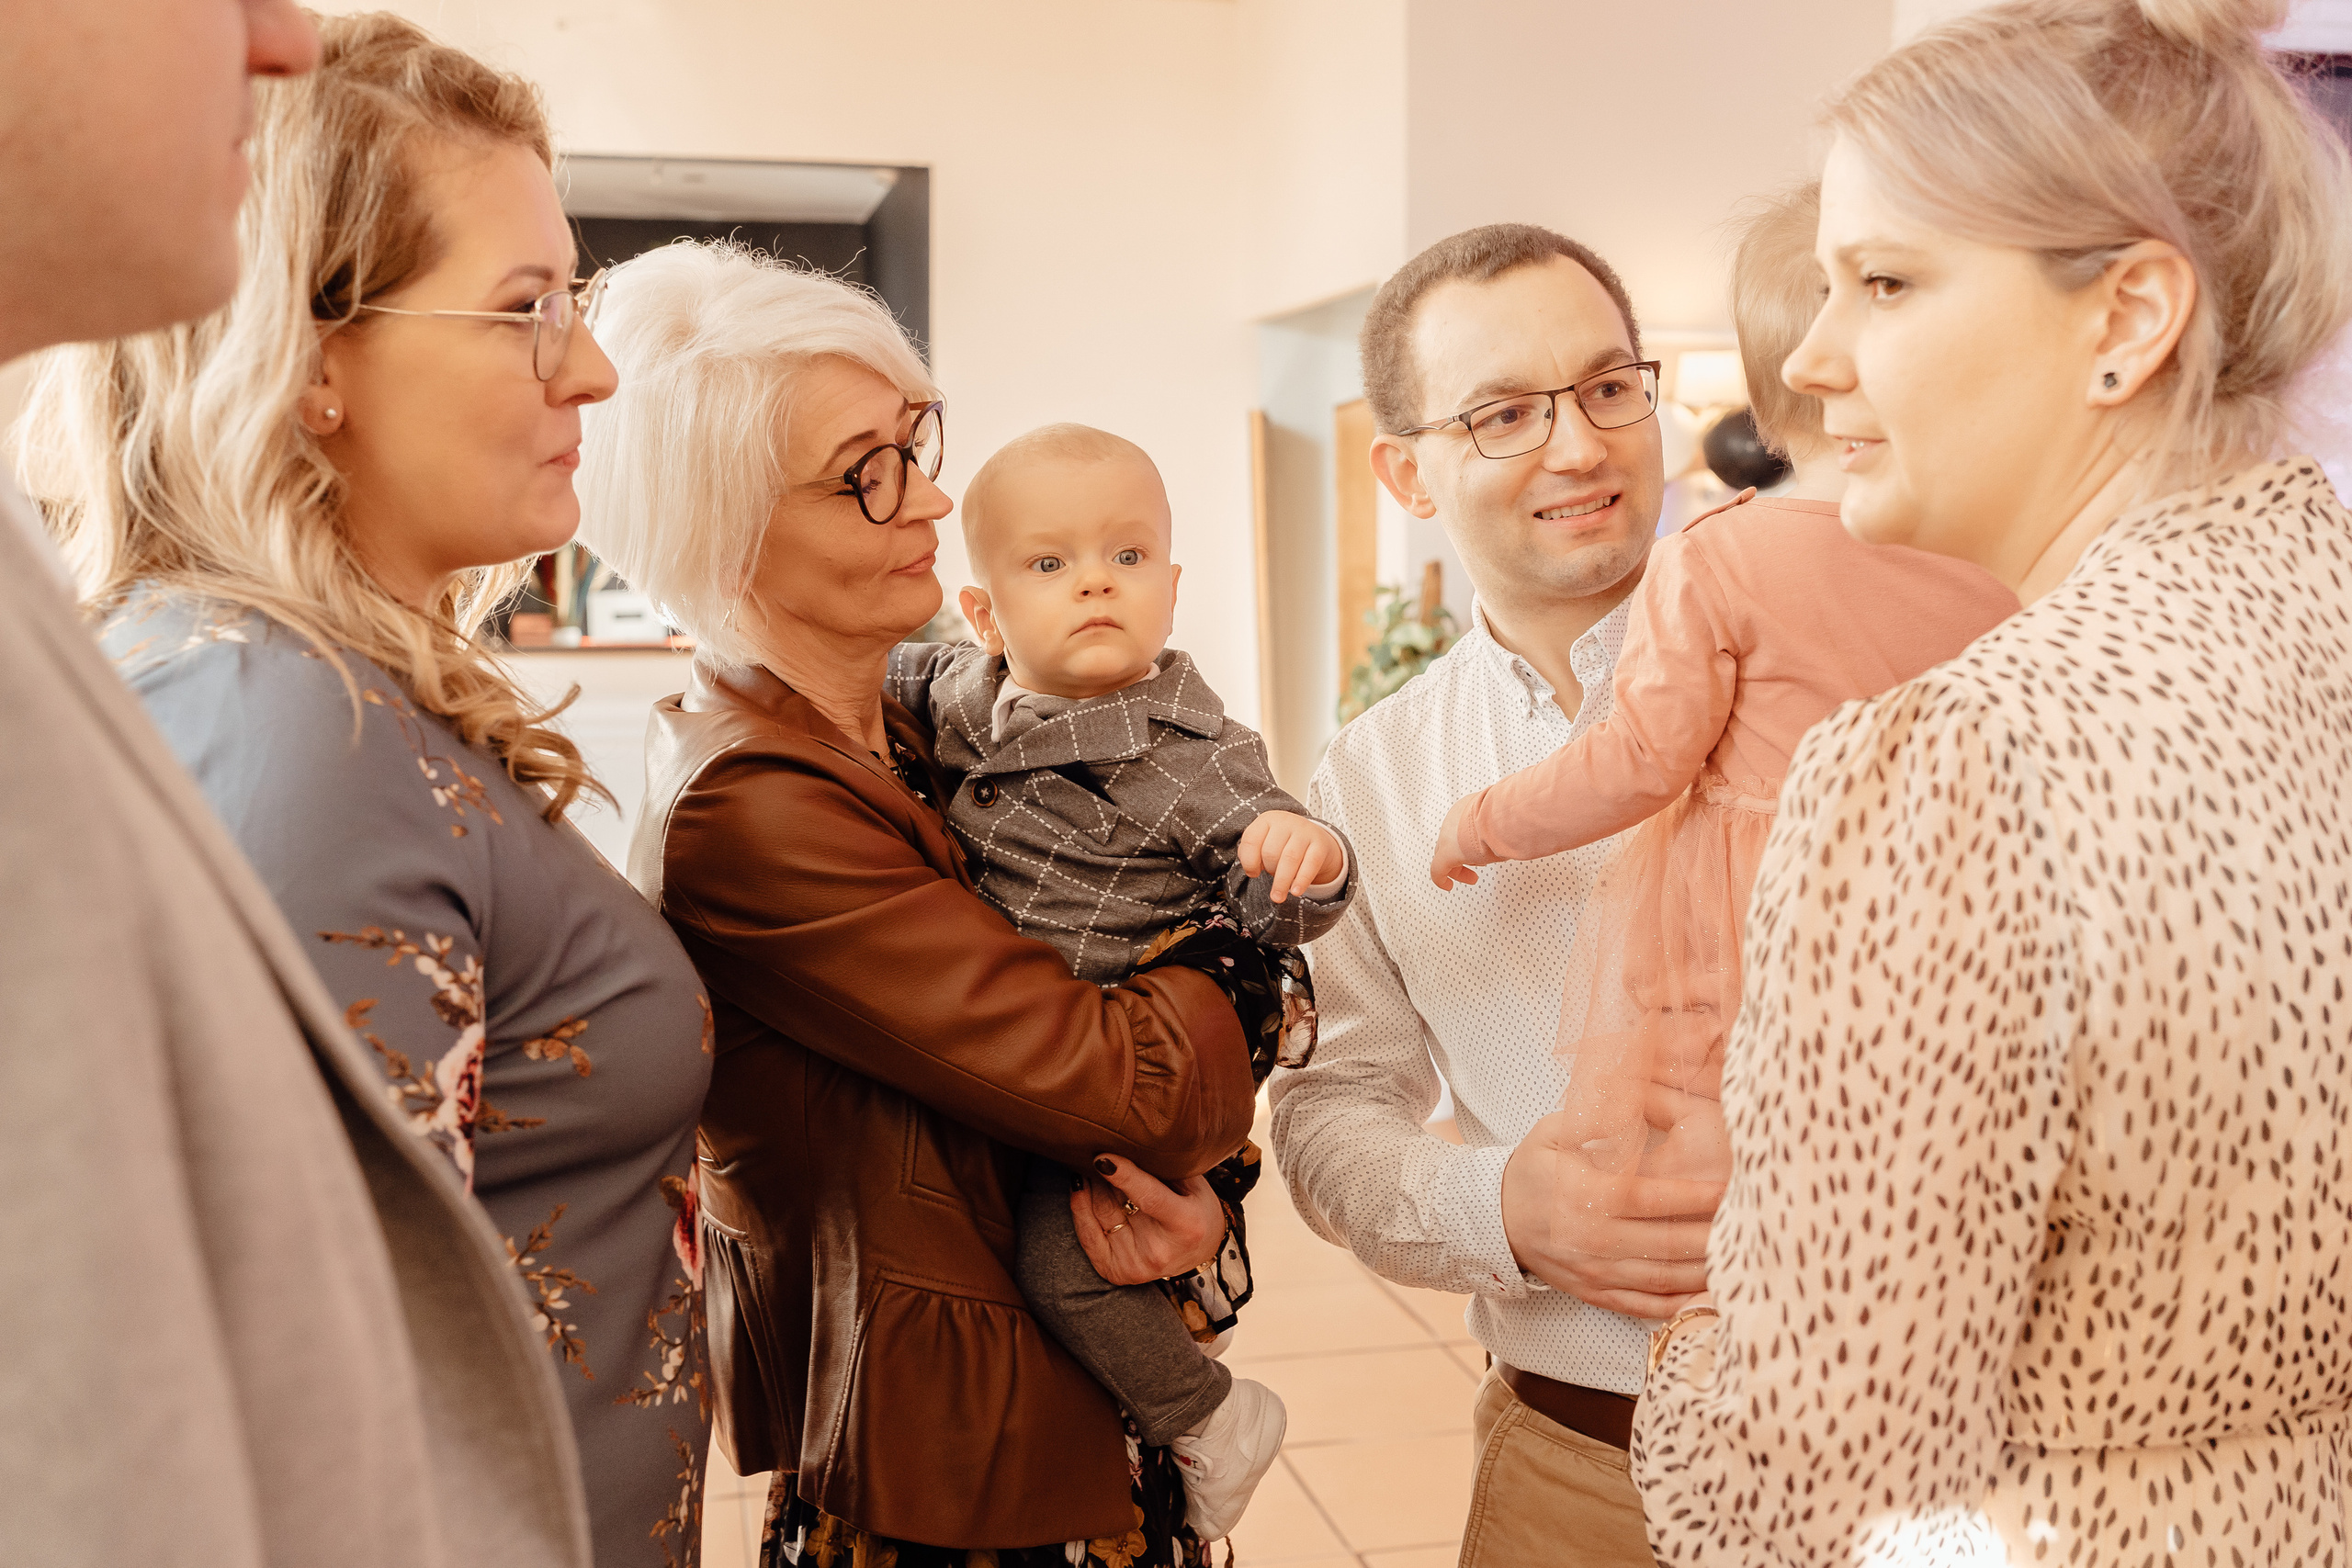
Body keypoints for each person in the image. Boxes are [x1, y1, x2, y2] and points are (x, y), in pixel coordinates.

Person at [1629, 1, 2352, 1562]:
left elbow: (1826, 1490)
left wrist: (1698, 1356)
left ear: (2127, 316)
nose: (1810, 366)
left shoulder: (1957, 766)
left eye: (1883, 283)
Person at [20, 16, 714, 1566]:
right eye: (528, 309)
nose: (591, 368)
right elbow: (324, 1390)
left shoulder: (327, 689)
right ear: (315, 357)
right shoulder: (289, 731)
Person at [577, 241, 1258, 1568]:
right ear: (725, 532)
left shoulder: (920, 712)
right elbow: (1123, 1082)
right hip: (960, 1467)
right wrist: (1239, 957)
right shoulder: (755, 806)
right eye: (865, 475)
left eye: (915, 440)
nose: (936, 498)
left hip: (1055, 1377)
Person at [1265, 223, 1724, 1568]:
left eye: (1605, 388)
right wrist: (1506, 1209)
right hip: (1582, 1463)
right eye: (1504, 414)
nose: (1578, 447)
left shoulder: (1835, 666)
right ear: (1406, 470)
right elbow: (1330, 1106)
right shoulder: (1376, 778)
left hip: (1910, 1444)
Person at [1424, 191, 2018, 1194]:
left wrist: (1487, 820)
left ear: (1772, 380)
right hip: (1963, 916)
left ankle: (1713, 1324)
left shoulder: (1718, 557)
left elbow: (1637, 760)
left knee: (1712, 1144)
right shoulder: (1999, 551)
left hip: (1769, 933)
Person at [889, 422, 1353, 1538]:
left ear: (1172, 586)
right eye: (1049, 565)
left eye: (1127, 557)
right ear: (987, 612)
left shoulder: (1196, 750)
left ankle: (1208, 1416)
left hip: (1101, 1072)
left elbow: (1279, 884)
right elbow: (870, 663)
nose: (1095, 580)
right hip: (992, 1051)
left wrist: (1313, 858)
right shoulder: (957, 694)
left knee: (1067, 1262)